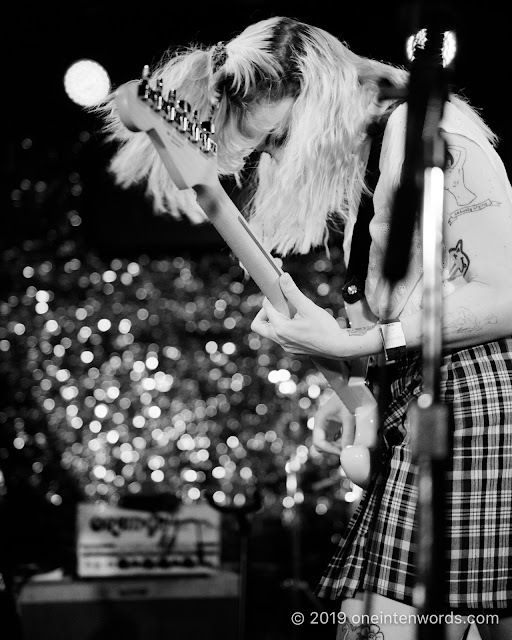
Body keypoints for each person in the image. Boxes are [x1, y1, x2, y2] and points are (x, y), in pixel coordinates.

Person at [95, 16, 512, 640]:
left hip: (476, 401)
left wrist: (363, 344)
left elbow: (506, 296)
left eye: (277, 137)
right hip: (424, 395)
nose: (274, 158)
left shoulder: (431, 133)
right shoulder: (371, 164)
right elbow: (405, 307)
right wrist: (353, 385)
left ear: (316, 95)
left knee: (382, 624)